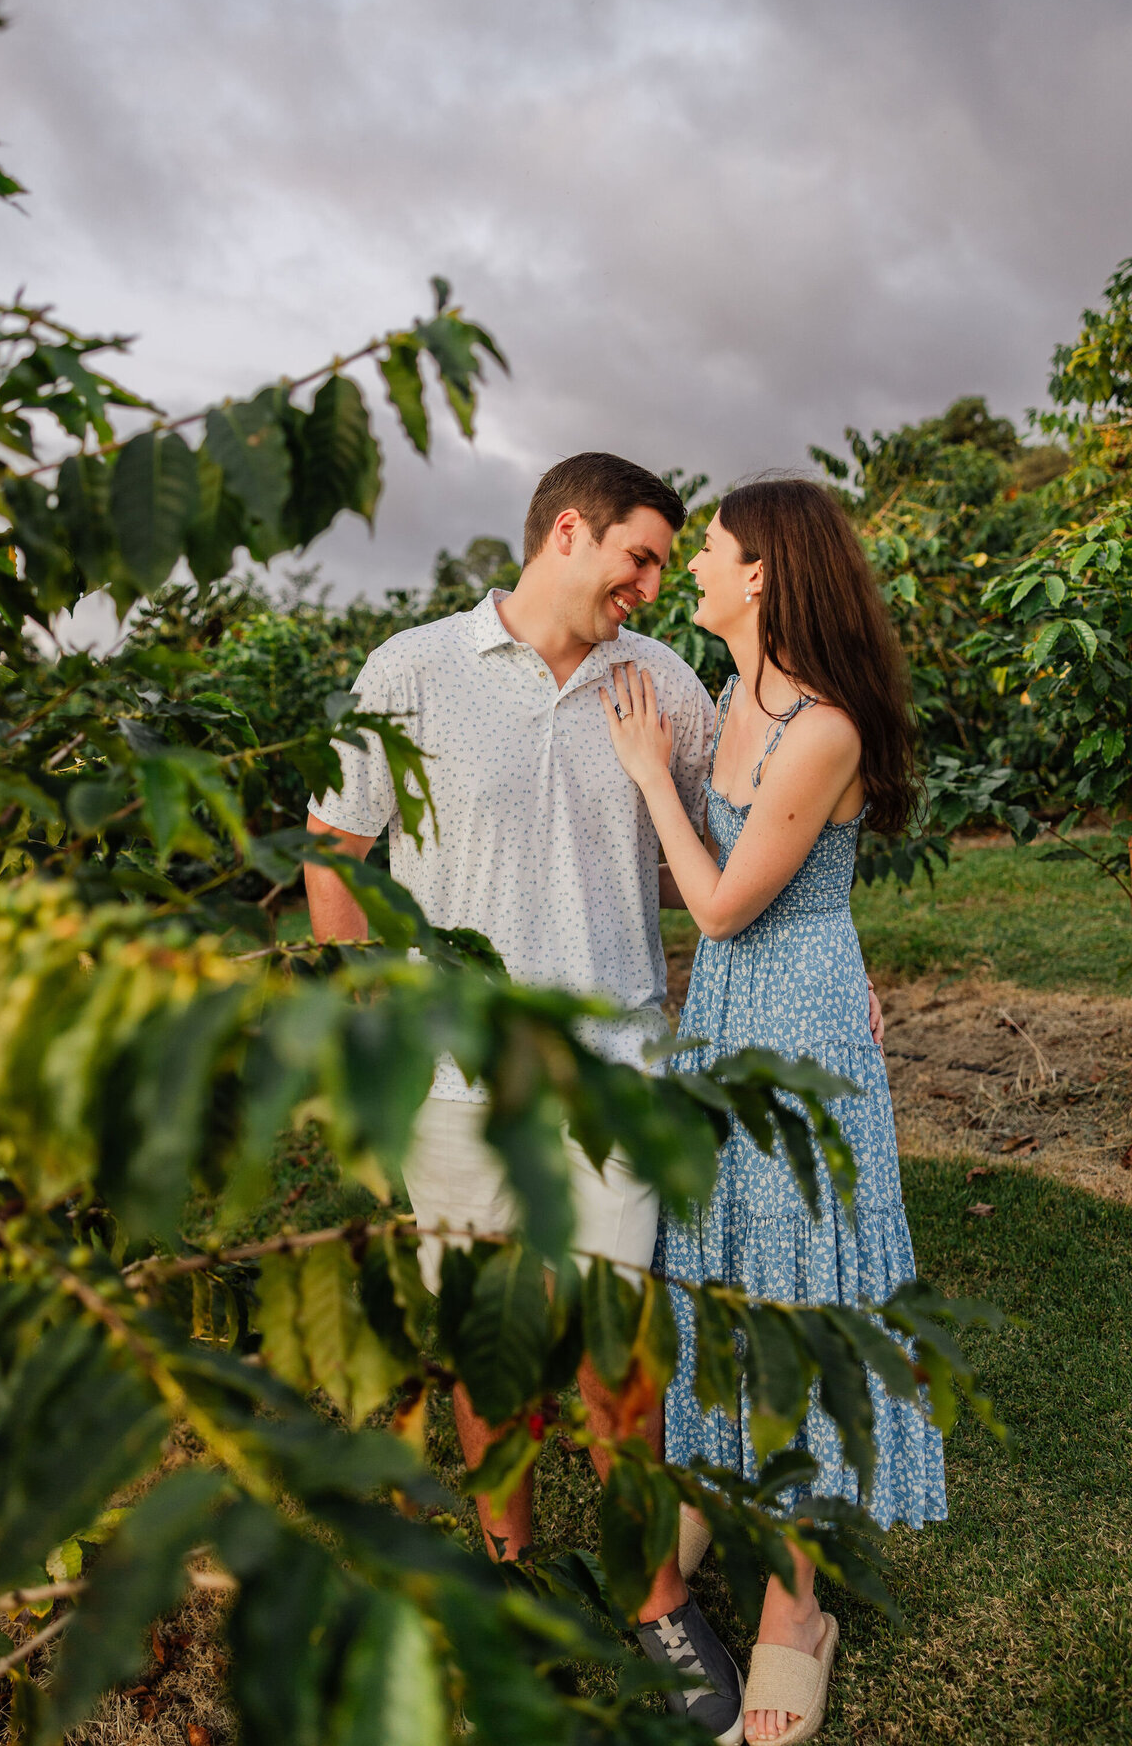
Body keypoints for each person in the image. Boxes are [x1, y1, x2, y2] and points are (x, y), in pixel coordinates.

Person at [306, 452, 745, 1743]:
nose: (653, 585)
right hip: (454, 1083)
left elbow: (722, 849)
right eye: (642, 556)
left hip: (615, 1074)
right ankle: (507, 1573)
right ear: (569, 529)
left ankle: (652, 1590)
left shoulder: (662, 682)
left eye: (668, 566)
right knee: (487, 1338)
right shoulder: (413, 668)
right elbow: (334, 845)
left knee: (623, 1359)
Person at [599, 476, 947, 1746]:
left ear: (763, 575)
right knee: (727, 1264)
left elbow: (724, 904)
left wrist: (649, 773)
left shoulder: (824, 726)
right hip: (731, 1023)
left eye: (713, 551)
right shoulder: (734, 692)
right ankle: (727, 1479)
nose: (691, 566)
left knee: (796, 1289)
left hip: (792, 1026)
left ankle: (800, 1603)